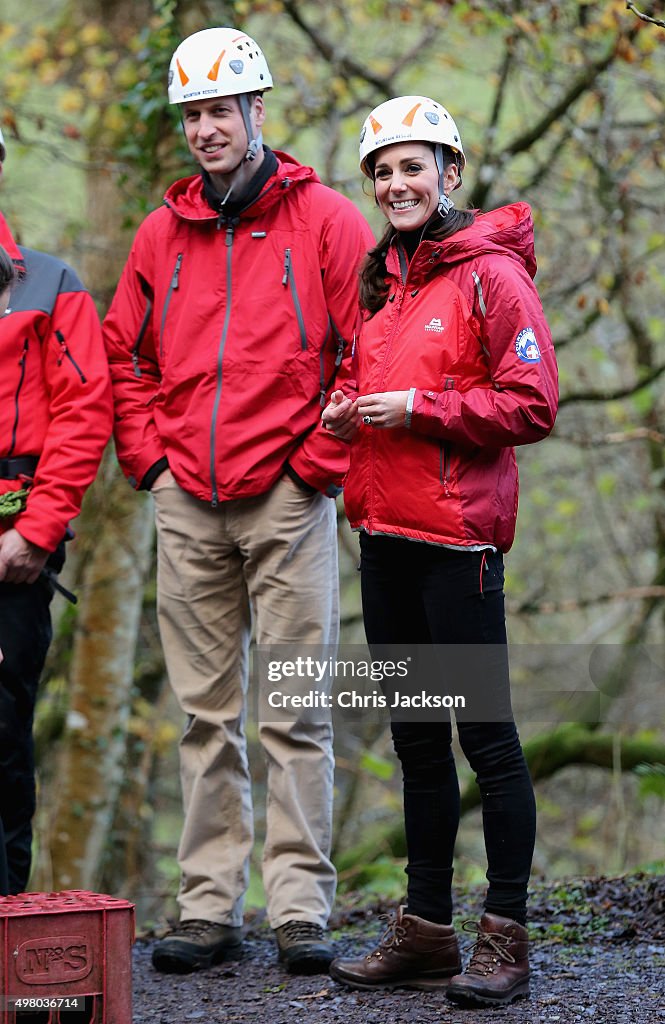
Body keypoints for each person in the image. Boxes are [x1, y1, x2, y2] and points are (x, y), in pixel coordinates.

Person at [102, 27, 374, 975]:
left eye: (222, 109)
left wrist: (314, 469)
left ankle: (299, 907)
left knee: (293, 707)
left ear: (258, 110)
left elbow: (361, 356)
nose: (207, 128)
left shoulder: (328, 221)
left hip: (289, 498)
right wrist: (151, 466)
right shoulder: (158, 232)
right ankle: (207, 907)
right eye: (193, 115)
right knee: (202, 715)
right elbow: (122, 354)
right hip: (188, 500)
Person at [322, 95, 558, 1008]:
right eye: (381, 171)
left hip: (456, 546)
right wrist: (345, 409)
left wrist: (421, 411)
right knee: (417, 744)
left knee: (486, 746)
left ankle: (505, 937)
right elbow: (358, 377)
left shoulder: (492, 277)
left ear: (449, 173)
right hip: (381, 539)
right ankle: (424, 933)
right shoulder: (383, 283)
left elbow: (530, 406)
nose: (395, 184)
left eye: (412, 166)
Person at [0, 125, 114, 897]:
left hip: (15, 544)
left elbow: (84, 411)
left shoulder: (50, 284)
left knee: (2, 737)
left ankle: (5, 919)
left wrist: (35, 533)